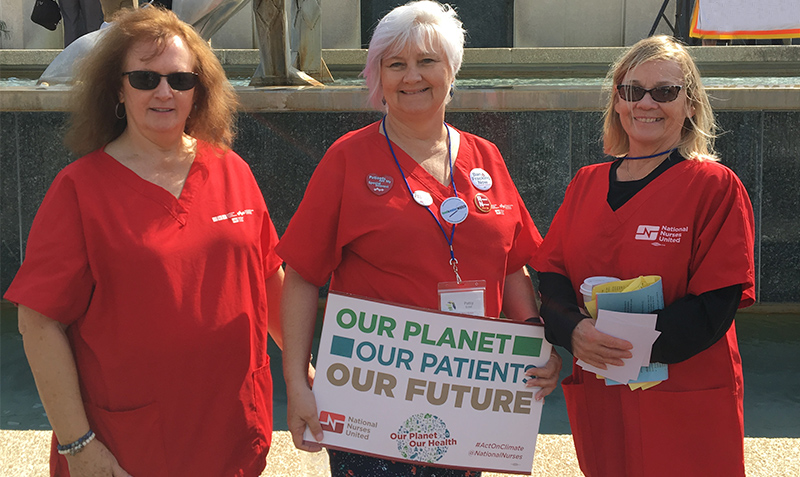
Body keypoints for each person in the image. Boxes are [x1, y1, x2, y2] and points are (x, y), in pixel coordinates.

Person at [277, 2, 562, 476]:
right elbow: (303, 277)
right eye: (396, 64)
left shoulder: (485, 156)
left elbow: (512, 264)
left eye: (427, 61)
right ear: (378, 77)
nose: (413, 76)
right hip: (372, 406)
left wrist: (535, 342)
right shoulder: (347, 159)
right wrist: (297, 381)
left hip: (471, 401)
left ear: (451, 70)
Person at [4, 7, 284, 477]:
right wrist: (79, 445)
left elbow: (269, 278)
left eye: (179, 80)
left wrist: (305, 370)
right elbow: (37, 322)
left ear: (199, 88)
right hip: (128, 450)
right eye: (144, 79)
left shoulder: (232, 171)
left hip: (233, 434)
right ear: (117, 87)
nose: (163, 92)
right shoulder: (80, 190)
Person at [531, 35, 755, 477]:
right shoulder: (586, 183)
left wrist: (618, 344)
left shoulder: (713, 186)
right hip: (604, 389)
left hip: (683, 397)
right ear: (617, 102)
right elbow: (550, 276)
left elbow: (715, 306)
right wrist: (573, 331)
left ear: (690, 104)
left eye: (665, 91)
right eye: (632, 91)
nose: (646, 103)